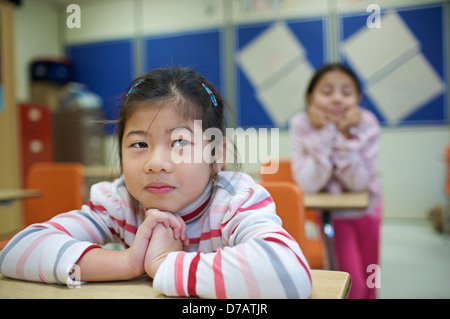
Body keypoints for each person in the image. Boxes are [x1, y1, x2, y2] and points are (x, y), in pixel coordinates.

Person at [0, 66, 311, 299]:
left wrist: (164, 264)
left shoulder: (234, 199)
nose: (155, 163)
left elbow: (287, 272)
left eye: (179, 142)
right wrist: (128, 262)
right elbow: (15, 252)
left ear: (217, 155)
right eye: (139, 145)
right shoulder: (119, 200)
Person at [289, 63, 382, 299]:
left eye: (347, 93)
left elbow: (358, 183)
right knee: (353, 285)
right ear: (310, 98)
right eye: (327, 92)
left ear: (358, 98)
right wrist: (325, 134)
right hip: (334, 215)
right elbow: (309, 185)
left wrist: (343, 135)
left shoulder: (367, 122)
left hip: (369, 209)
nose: (338, 99)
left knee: (372, 279)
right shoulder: (301, 124)